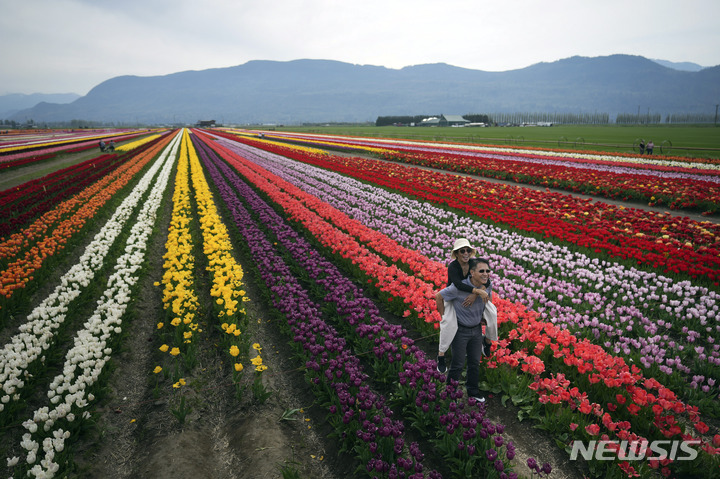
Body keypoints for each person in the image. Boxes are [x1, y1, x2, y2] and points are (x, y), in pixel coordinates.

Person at [435, 257, 493, 403]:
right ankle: (450, 393)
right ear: (472, 272)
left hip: (477, 330)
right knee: (458, 363)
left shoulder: (487, 286)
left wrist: (476, 295)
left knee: (474, 362)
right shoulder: (458, 288)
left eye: (487, 271)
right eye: (481, 271)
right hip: (460, 331)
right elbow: (439, 296)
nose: (485, 274)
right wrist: (443, 317)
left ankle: (472, 391)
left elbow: (488, 301)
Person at [437, 239, 491, 374]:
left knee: (492, 315)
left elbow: (488, 280)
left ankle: (487, 341)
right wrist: (443, 314)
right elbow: (458, 285)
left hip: (472, 296)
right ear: (456, 253)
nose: (465, 253)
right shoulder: (453, 266)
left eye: (468, 250)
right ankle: (441, 356)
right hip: (453, 296)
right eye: (462, 251)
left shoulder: (473, 263)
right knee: (447, 324)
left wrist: (477, 294)